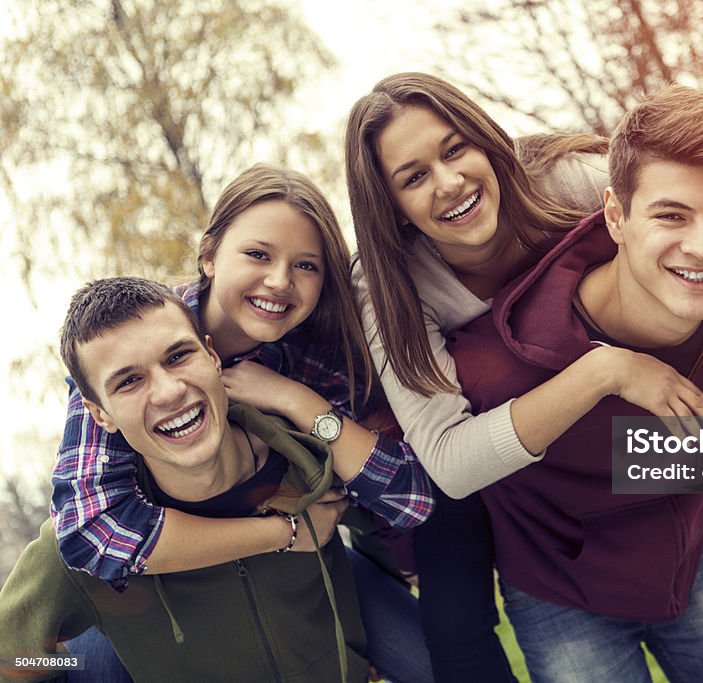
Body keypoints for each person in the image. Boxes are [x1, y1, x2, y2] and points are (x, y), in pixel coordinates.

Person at [345, 72, 703, 683]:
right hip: (539, 496)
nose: (449, 182)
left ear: (484, 139)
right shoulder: (389, 288)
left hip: (660, 424)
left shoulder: (558, 179)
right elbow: (449, 458)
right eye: (413, 177)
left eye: (455, 148)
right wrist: (606, 370)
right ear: (390, 204)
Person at [47, 165, 436, 681]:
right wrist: (283, 532)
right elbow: (90, 527)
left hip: (302, 566)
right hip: (168, 573)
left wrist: (298, 402)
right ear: (209, 255)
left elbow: (408, 497)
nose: (279, 281)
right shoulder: (133, 341)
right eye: (258, 254)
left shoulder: (312, 360)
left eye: (306, 266)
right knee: (95, 661)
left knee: (439, 659)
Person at [0, 277, 408, 681]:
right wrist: (82, 669)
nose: (168, 392)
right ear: (99, 414)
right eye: (129, 381)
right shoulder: (82, 549)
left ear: (212, 355)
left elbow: (388, 533)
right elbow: (9, 660)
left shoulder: (303, 458)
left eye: (178, 356)